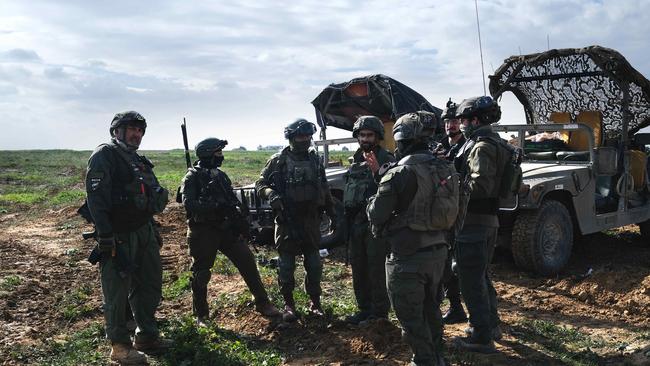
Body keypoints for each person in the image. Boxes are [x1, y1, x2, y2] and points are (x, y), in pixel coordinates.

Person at [367, 113, 459, 366]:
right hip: (439, 253)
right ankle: (438, 357)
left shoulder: (399, 173)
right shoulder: (446, 167)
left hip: (407, 257)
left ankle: (425, 361)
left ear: (402, 140)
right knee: (432, 310)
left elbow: (377, 213)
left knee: (411, 318)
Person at [84, 111, 171, 364]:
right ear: (116, 131)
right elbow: (96, 199)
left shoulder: (138, 160)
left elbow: (151, 197)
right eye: (132, 129)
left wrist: (152, 227)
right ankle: (120, 346)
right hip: (118, 233)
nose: (137, 134)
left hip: (143, 230)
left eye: (140, 130)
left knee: (150, 284)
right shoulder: (105, 155)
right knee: (117, 291)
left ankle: (146, 336)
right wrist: (106, 235)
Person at [180, 137, 281, 325]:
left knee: (248, 262)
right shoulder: (192, 177)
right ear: (208, 154)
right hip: (203, 232)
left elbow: (232, 200)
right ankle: (201, 315)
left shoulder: (221, 176)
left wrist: (240, 220)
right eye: (218, 153)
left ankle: (262, 302)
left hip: (226, 229)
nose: (221, 156)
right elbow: (189, 204)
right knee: (201, 273)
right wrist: (214, 206)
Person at [255, 119, 336, 322]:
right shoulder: (278, 160)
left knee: (315, 265)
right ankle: (289, 304)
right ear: (291, 137)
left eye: (308, 136)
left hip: (310, 220)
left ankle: (315, 303)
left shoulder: (314, 159)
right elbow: (260, 184)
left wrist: (333, 214)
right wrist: (271, 194)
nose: (305, 140)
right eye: (301, 136)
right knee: (286, 266)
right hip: (286, 221)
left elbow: (324, 187)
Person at [452, 96, 507, 353]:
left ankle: (481, 335)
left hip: (474, 222)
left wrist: (450, 183)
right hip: (486, 221)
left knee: (471, 280)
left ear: (475, 120)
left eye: (463, 119)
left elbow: (481, 186)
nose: (460, 124)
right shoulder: (493, 142)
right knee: (480, 276)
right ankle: (490, 325)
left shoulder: (482, 146)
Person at [342, 116, 394, 325]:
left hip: (376, 226)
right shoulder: (355, 159)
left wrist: (377, 173)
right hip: (355, 223)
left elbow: (392, 191)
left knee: (376, 269)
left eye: (369, 135)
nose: (365, 139)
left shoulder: (387, 159)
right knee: (359, 267)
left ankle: (379, 313)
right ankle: (364, 308)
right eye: (362, 135)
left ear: (378, 136)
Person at [437, 100, 468, 325]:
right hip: (444, 212)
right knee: (445, 264)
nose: (451, 125)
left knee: (465, 266)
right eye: (448, 121)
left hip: (464, 212)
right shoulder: (440, 146)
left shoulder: (468, 146)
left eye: (455, 121)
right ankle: (455, 306)